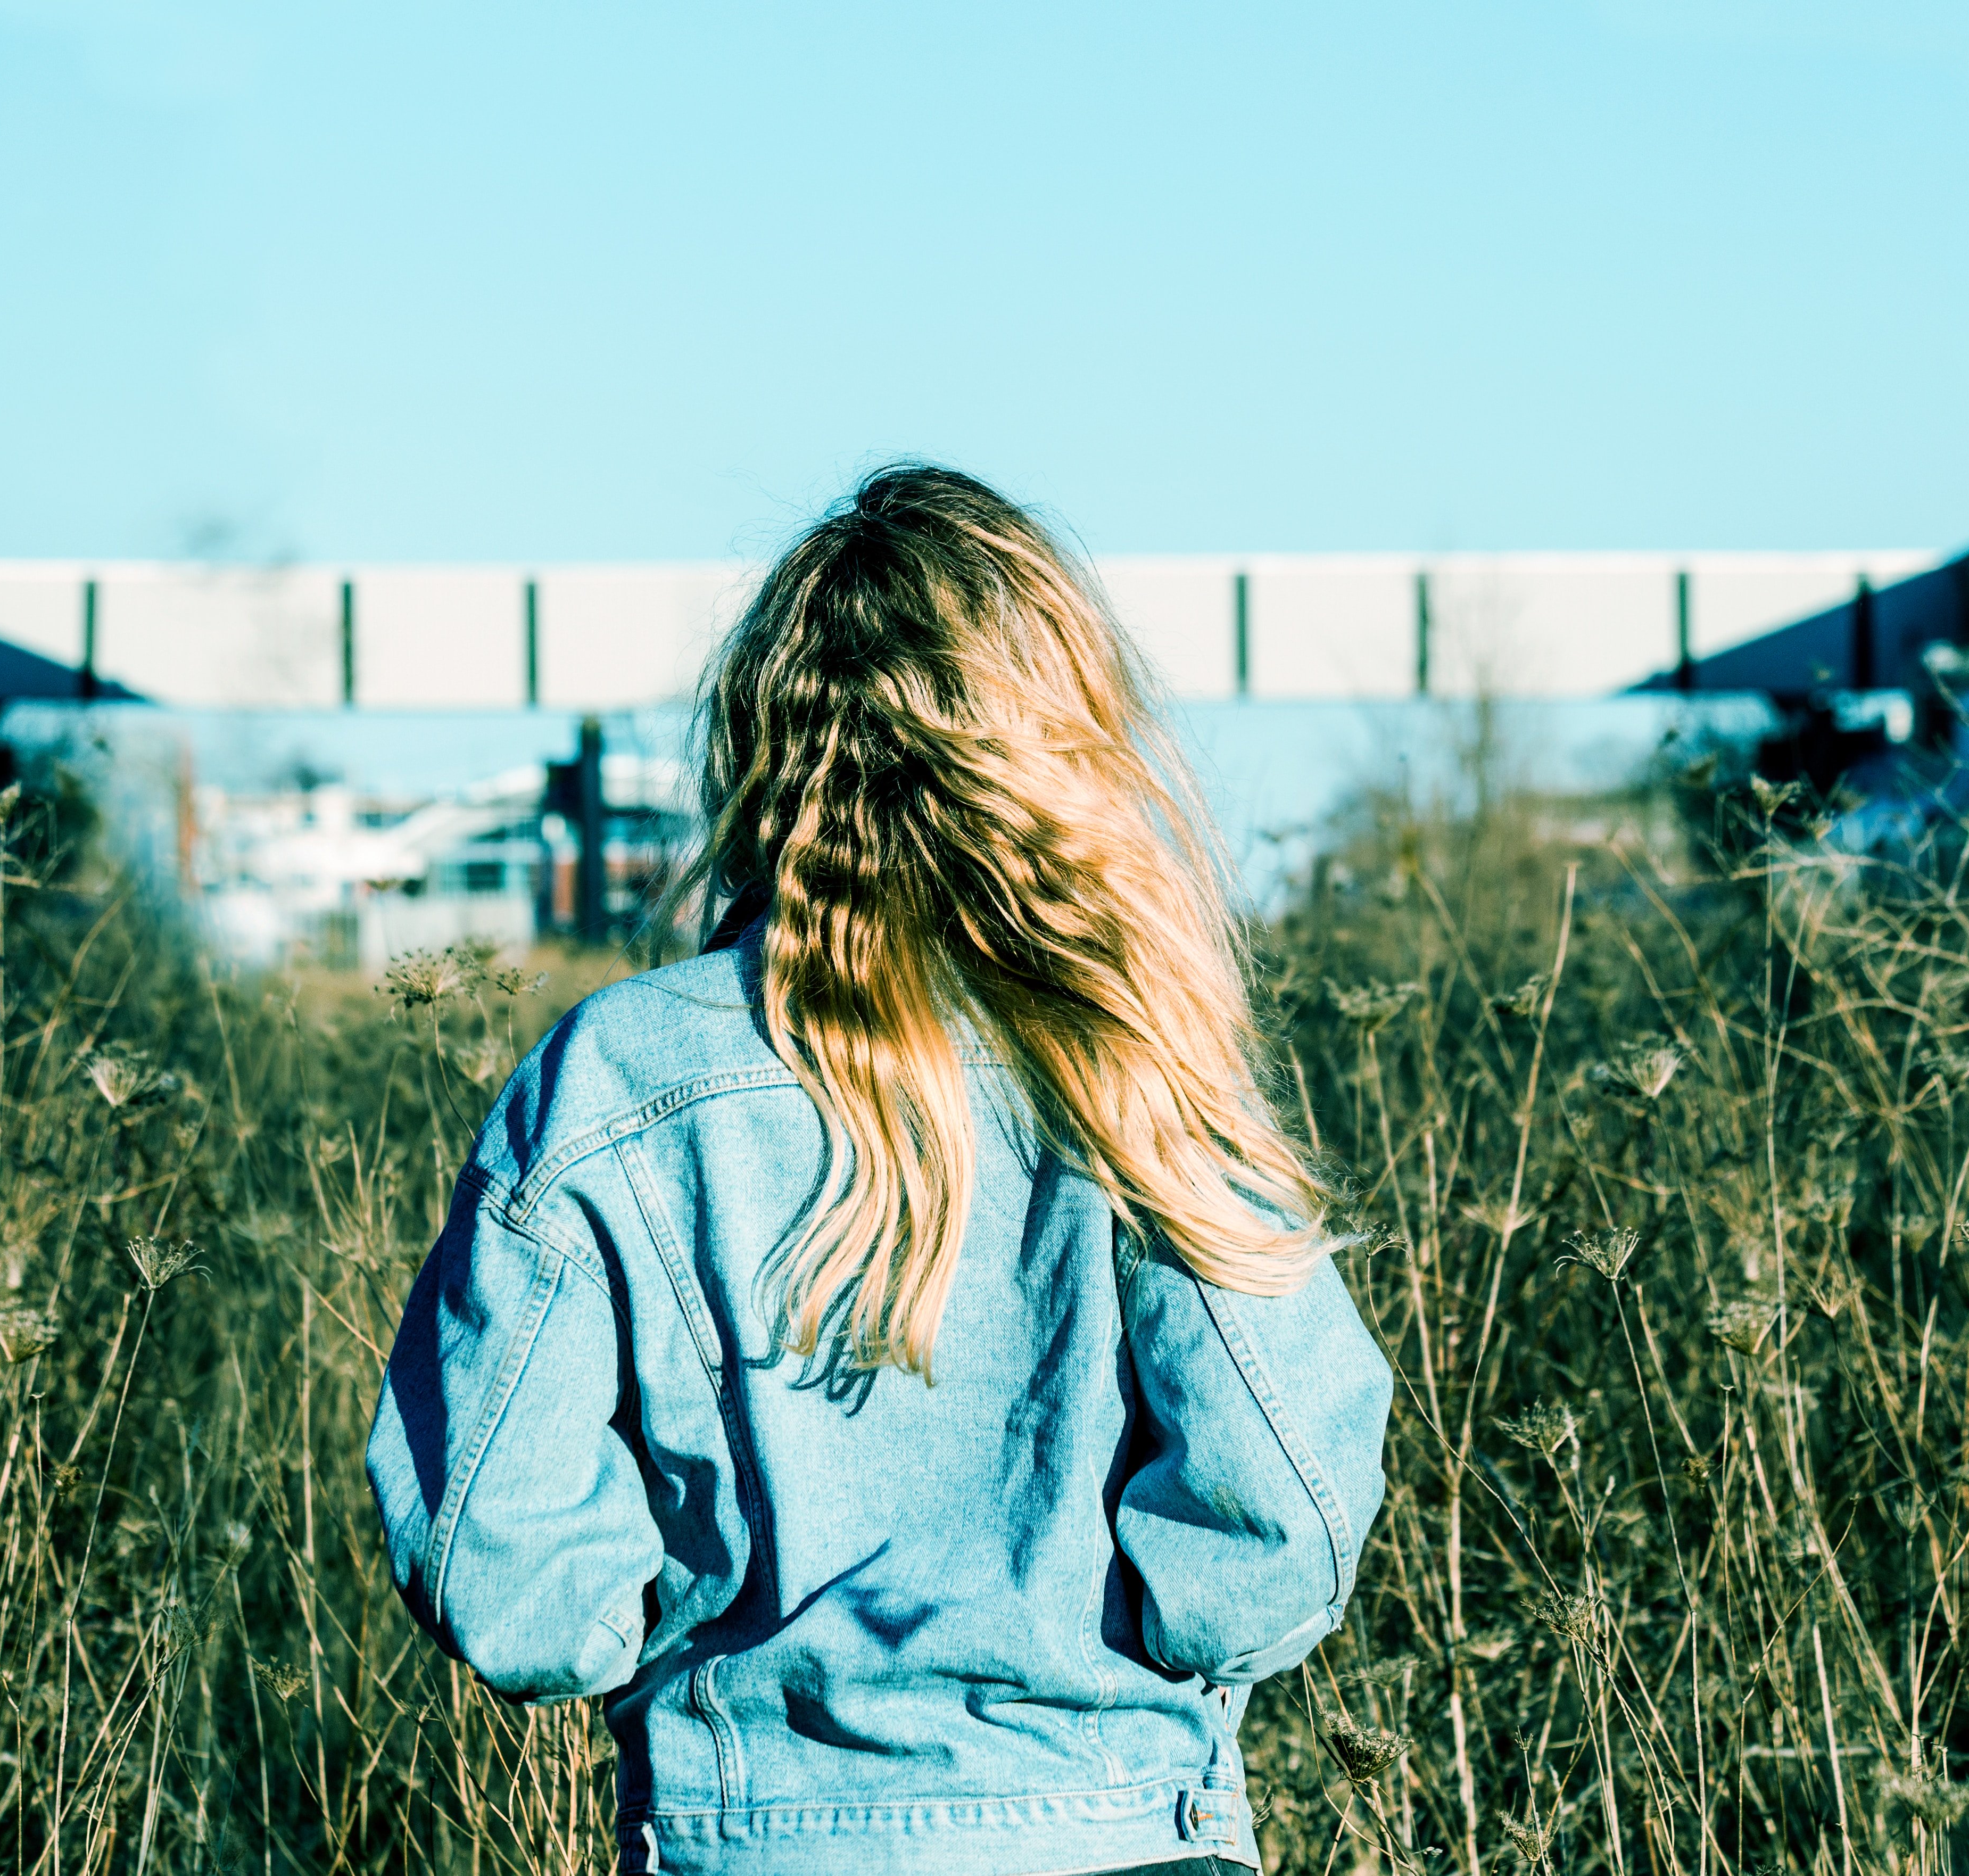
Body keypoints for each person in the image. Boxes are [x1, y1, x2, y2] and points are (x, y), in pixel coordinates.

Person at [367, 465, 1393, 1875]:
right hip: (1122, 1834)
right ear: (1060, 738)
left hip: (754, 1835)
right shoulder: (1141, 1065)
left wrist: (697, 1646)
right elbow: (1278, 1541)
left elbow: (512, 1577)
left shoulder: (611, 1080)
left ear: (758, 744)